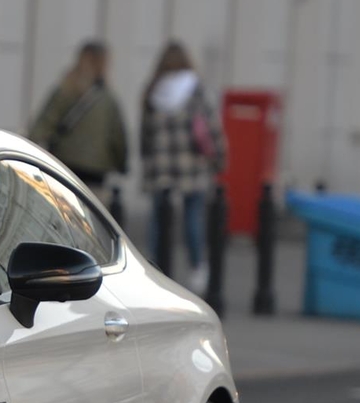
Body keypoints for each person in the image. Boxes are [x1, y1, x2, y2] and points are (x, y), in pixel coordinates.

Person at [138, 41, 224, 289]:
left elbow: (145, 132)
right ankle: (197, 269)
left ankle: (156, 269)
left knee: (158, 219)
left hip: (161, 165)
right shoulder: (196, 90)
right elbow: (212, 127)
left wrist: (147, 158)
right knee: (192, 219)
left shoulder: (153, 90)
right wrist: (219, 158)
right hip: (191, 165)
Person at [27, 41, 129, 195]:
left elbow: (42, 126)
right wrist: (122, 165)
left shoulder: (64, 90)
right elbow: (117, 136)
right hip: (96, 170)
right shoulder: (107, 99)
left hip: (63, 164)